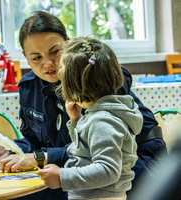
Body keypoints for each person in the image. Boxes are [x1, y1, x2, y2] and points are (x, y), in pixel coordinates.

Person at [0, 11, 167, 199]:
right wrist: (10, 148)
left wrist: (42, 157)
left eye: (55, 52)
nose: (48, 63)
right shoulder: (29, 86)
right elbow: (37, 141)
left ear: (68, 43)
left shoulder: (94, 76)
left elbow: (100, 153)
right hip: (78, 164)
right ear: (25, 57)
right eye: (36, 58)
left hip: (134, 161)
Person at [36, 36, 143, 200]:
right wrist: (76, 121)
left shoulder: (102, 120)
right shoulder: (100, 114)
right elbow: (86, 148)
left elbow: (108, 170)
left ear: (73, 86)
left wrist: (62, 176)